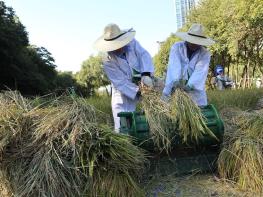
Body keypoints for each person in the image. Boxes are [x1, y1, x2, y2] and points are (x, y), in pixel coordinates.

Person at [94, 23, 154, 132]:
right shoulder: (107, 60)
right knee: (123, 128)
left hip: (142, 84)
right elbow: (120, 82)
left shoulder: (133, 43)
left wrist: (146, 74)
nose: (117, 48)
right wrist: (140, 91)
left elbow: (144, 55)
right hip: (122, 96)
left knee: (143, 125)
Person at [162, 23, 215, 106]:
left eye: (197, 42)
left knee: (195, 109)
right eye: (192, 41)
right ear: (187, 39)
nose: (194, 44)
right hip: (174, 87)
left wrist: (190, 86)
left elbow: (200, 71)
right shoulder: (177, 47)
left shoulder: (204, 54)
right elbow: (174, 65)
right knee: (169, 108)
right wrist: (177, 81)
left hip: (195, 92)